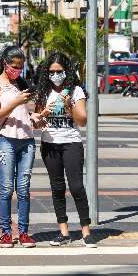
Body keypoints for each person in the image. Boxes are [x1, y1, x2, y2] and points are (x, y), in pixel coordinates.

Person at [33, 52, 97, 248]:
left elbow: (82, 121)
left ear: (66, 71)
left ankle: (86, 231)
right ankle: (64, 232)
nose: (55, 75)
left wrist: (69, 105)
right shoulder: (43, 92)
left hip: (71, 143)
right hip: (49, 145)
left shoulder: (76, 91)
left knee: (77, 186)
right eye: (51, 72)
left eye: (59, 71)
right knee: (57, 187)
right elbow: (37, 124)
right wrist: (41, 114)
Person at [0, 46, 40, 248]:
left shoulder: (23, 83)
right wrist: (16, 101)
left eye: (20, 66)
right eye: (14, 66)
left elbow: (24, 113)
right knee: (7, 188)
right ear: (4, 63)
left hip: (27, 139)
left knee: (24, 189)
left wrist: (35, 117)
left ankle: (24, 232)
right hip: (6, 140)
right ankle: (6, 232)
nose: (17, 70)